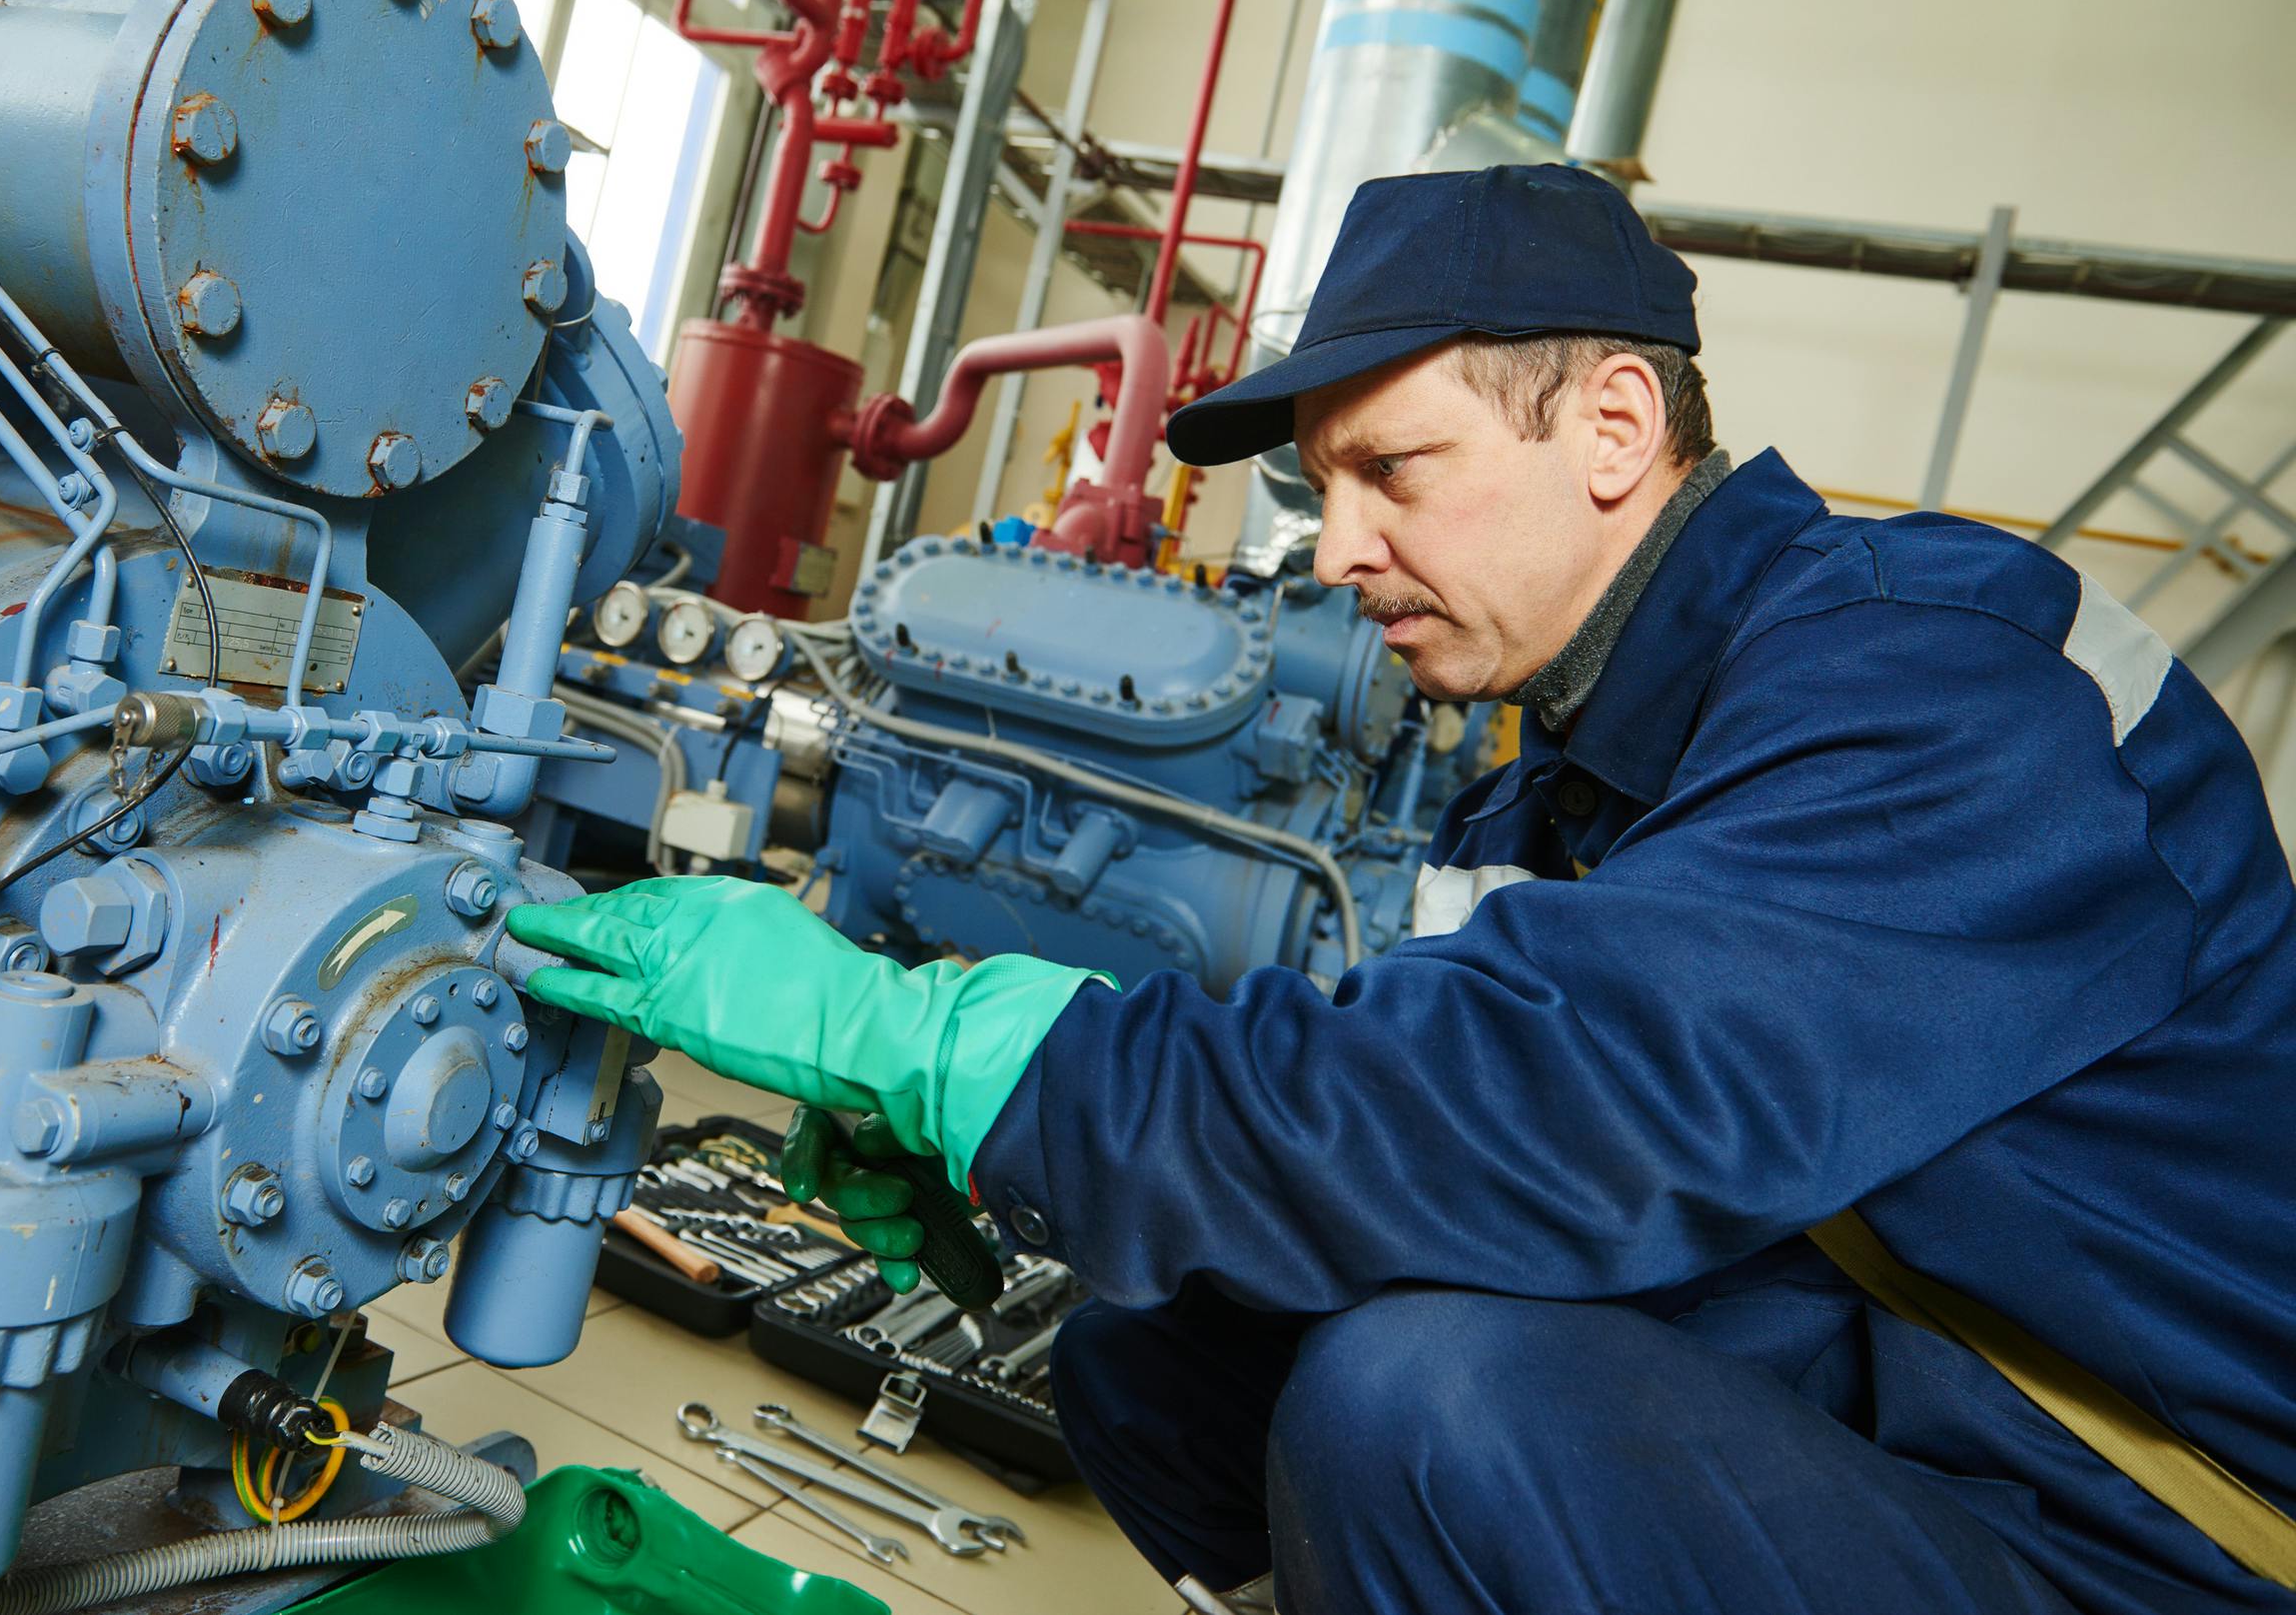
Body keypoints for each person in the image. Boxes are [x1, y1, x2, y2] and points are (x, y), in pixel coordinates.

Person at [508, 164, 2296, 1615]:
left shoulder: (1942, 686)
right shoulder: (1579, 773)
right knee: (1158, 1339)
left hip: (2139, 1525)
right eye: (1319, 486)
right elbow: (1391, 1086)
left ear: (1611, 425)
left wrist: (947, 1045)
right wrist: (1020, 1160)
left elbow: (1534, 1099)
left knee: (1431, 1411)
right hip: (1893, 1399)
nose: (1338, 547)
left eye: (1391, 471)